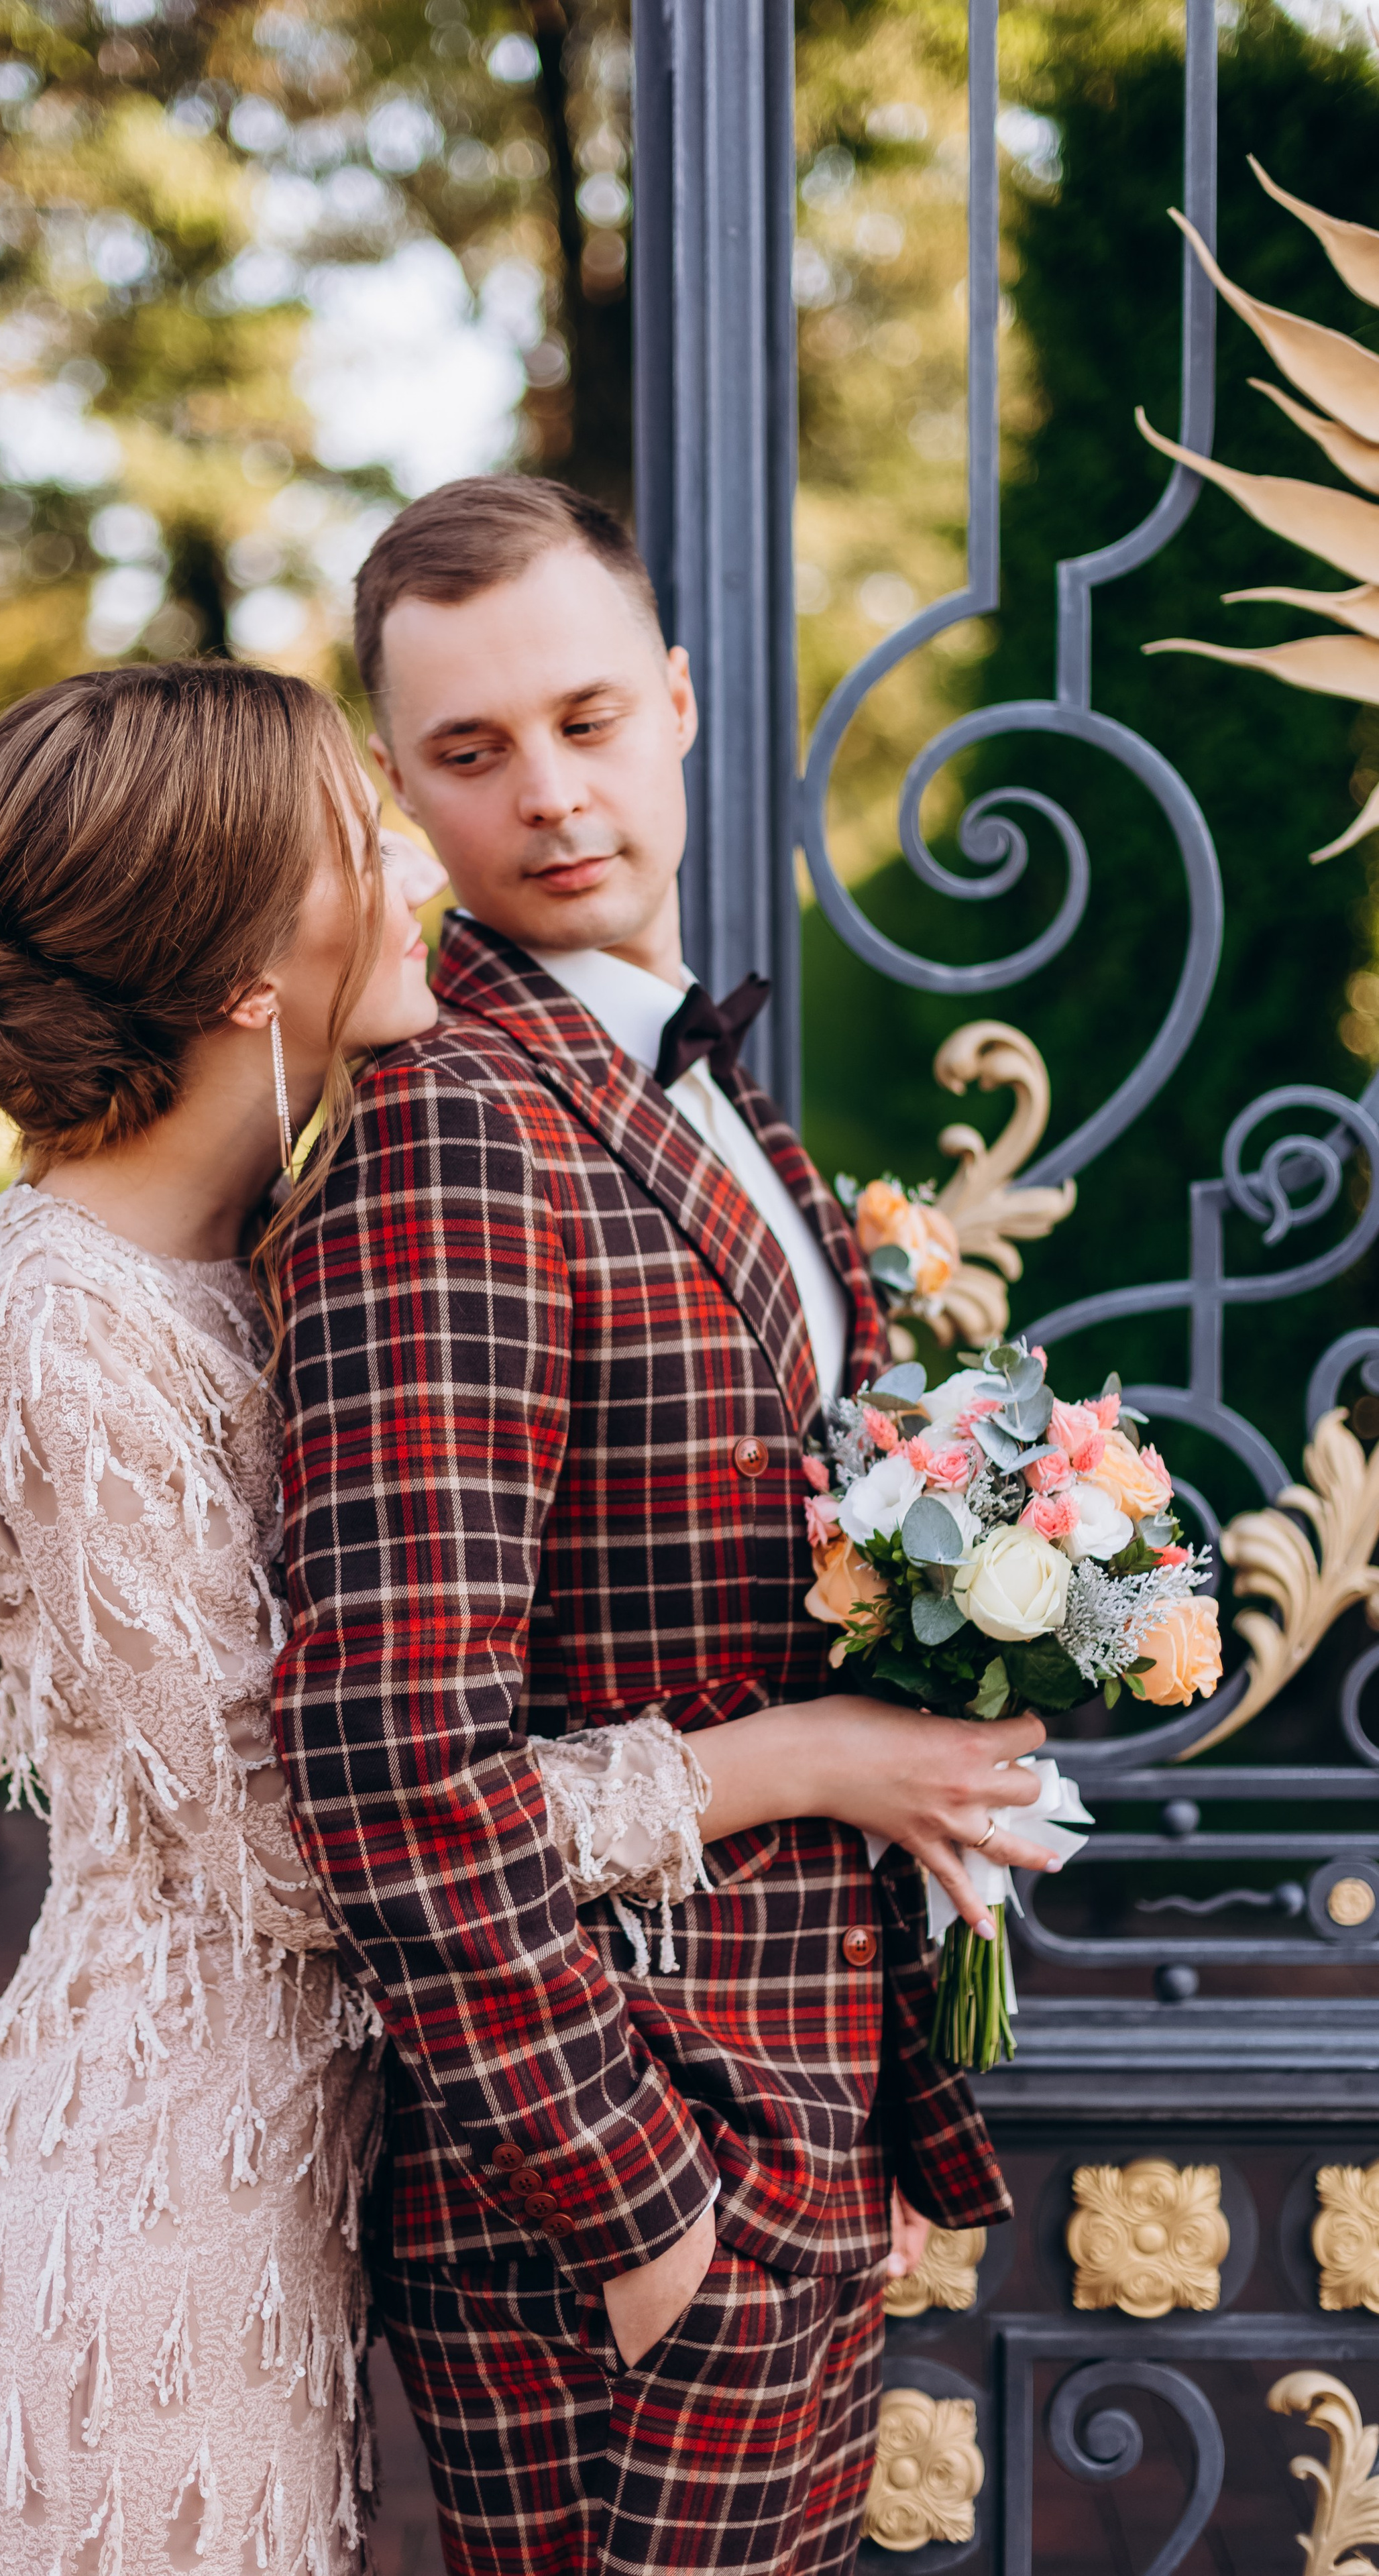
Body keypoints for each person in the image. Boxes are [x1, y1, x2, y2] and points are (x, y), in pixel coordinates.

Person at [272, 480, 1058, 2576]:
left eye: (589, 718)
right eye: (470, 750)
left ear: (685, 703)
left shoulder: (702, 1086)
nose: (549, 793)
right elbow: (388, 1752)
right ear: (399, 783)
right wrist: (643, 2218)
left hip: (793, 2106)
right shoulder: (453, 1124)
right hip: (619, 2180)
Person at [0, 660, 721, 2575]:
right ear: (244, 975)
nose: (419, 862)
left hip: (292, 2190)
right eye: (364, 837)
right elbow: (289, 1840)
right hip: (147, 2222)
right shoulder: (57, 1334)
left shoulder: (250, 1246)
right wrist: (760, 1767)